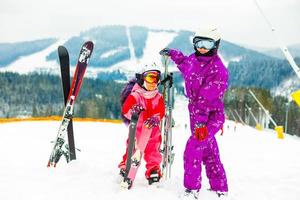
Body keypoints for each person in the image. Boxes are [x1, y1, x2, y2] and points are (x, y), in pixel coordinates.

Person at [160, 27, 228, 198]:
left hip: (210, 116)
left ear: (215, 45)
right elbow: (184, 63)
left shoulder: (218, 70)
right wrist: (173, 53)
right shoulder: (194, 60)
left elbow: (206, 100)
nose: (202, 48)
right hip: (196, 114)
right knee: (209, 150)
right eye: (199, 43)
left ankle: (192, 189)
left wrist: (200, 122)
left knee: (193, 150)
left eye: (207, 43)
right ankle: (220, 187)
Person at [118, 65, 165, 186]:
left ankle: (153, 170)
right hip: (137, 130)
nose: (153, 82)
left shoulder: (158, 97)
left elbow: (161, 111)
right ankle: (126, 166)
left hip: (153, 131)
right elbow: (125, 110)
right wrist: (133, 112)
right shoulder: (136, 95)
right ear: (141, 79)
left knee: (153, 150)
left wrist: (156, 117)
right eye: (150, 78)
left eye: (156, 79)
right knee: (132, 148)